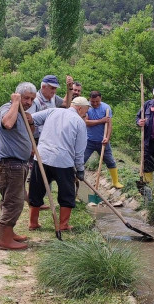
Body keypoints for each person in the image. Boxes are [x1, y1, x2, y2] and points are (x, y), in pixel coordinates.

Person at [26, 96, 89, 231]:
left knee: (36, 190)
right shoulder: (79, 122)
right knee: (67, 193)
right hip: (63, 161)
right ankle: (63, 225)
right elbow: (79, 150)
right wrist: (80, 169)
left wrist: (31, 125)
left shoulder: (52, 111)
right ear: (79, 108)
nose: (86, 113)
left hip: (42, 157)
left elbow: (30, 118)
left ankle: (33, 223)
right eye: (85, 110)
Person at [0, 82, 38, 250]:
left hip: (19, 164)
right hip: (10, 164)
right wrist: (15, 103)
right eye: (26, 98)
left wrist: (31, 121)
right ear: (17, 95)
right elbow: (8, 124)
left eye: (32, 99)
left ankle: (9, 233)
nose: (29, 102)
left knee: (11, 200)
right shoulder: (8, 108)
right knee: (13, 202)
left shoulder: (22, 112)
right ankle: (4, 241)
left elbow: (28, 133)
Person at [84, 91, 124, 189]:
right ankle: (76, 182)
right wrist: (100, 121)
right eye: (92, 101)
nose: (94, 103)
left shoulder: (106, 108)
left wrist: (107, 137)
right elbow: (86, 122)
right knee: (80, 161)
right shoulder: (87, 107)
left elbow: (109, 125)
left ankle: (115, 182)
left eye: (97, 101)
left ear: (100, 99)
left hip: (103, 141)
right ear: (89, 99)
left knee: (110, 161)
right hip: (88, 141)